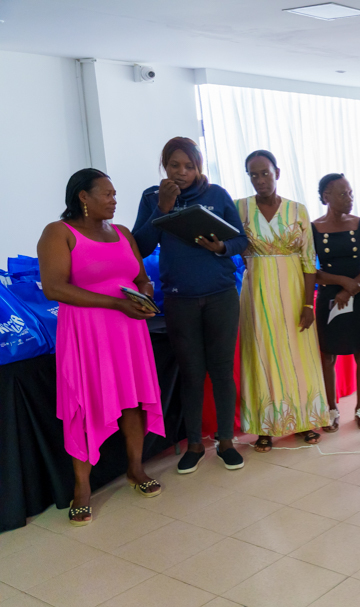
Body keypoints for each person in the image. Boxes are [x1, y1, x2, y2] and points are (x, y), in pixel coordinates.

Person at [39, 169, 165, 525]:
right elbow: (54, 288)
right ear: (83, 196)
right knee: (86, 402)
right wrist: (116, 304)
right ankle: (82, 488)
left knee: (134, 399)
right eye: (106, 194)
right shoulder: (58, 233)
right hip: (87, 334)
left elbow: (140, 277)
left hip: (129, 331)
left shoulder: (123, 233)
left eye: (114, 194)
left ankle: (136, 470)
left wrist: (145, 296)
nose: (114, 200)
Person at [133, 137, 248, 474]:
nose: (182, 172)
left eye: (189, 166)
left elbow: (240, 239)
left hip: (221, 295)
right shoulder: (152, 198)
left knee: (222, 369)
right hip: (179, 299)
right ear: (164, 167)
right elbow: (139, 246)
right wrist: (162, 209)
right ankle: (195, 444)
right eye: (174, 165)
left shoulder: (217, 196)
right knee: (191, 373)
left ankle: (226, 441)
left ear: (199, 167)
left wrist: (221, 248)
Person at [235, 150, 330, 451]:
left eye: (265, 172)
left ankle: (303, 421)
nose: (260, 179)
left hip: (292, 292)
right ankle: (265, 426)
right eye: (253, 174)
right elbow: (230, 247)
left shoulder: (297, 210)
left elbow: (308, 260)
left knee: (297, 355)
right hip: (257, 293)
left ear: (277, 172)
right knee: (262, 354)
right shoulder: (239, 208)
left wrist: (308, 303)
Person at [312, 173, 360, 432]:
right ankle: (331, 409)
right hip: (330, 297)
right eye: (343, 194)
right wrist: (342, 282)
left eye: (350, 193)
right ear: (326, 197)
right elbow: (310, 270)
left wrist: (353, 287)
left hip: (358, 296)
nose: (349, 198)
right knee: (327, 354)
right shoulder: (314, 228)